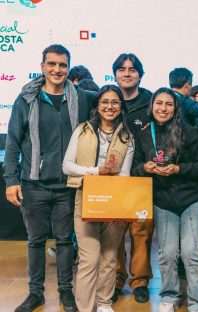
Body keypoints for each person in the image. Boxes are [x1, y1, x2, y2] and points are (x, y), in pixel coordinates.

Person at [3, 44, 95, 312]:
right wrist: (11, 180)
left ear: (68, 68)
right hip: (34, 185)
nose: (57, 69)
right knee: (36, 241)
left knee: (65, 240)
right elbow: (13, 143)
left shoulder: (81, 97)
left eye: (63, 65)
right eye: (52, 64)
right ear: (42, 66)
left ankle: (66, 292)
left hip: (67, 185)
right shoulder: (26, 100)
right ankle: (36, 294)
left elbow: (116, 98)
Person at [133, 87, 198, 312]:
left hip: (191, 200)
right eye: (159, 103)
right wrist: (144, 167)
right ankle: (169, 295)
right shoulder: (144, 135)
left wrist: (178, 169)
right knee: (167, 253)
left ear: (175, 108)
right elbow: (135, 167)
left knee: (190, 251)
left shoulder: (189, 132)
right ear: (152, 106)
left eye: (168, 104)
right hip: (163, 201)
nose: (163, 108)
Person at [63, 84, 134, 312]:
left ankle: (104, 304)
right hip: (85, 199)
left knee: (110, 257)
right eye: (105, 102)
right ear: (98, 105)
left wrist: (122, 209)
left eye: (115, 102)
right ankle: (85, 307)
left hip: (114, 202)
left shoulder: (126, 137)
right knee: (89, 258)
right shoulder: (82, 130)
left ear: (121, 106)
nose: (109, 106)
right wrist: (96, 171)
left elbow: (125, 175)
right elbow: (67, 166)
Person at [111, 53, 154, 304]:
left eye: (132, 69)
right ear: (115, 73)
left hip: (141, 179)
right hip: (114, 179)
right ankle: (116, 279)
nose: (127, 73)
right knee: (114, 234)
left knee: (141, 233)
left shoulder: (150, 101)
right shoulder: (107, 100)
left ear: (140, 74)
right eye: (122, 69)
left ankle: (139, 281)